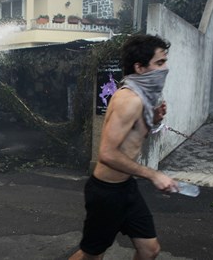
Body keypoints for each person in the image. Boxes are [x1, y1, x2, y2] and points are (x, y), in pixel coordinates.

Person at [69, 34, 179, 260]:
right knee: (91, 255)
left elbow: (131, 140)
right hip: (106, 193)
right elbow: (107, 154)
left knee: (150, 250)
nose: (165, 68)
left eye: (165, 62)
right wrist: (153, 174)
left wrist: (153, 120)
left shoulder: (141, 96)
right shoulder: (129, 99)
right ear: (139, 67)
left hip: (126, 188)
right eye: (159, 63)